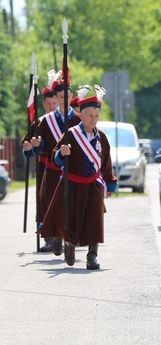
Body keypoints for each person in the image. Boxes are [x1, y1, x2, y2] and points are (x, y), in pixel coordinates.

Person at [38, 86, 117, 269]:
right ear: (81, 115)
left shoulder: (101, 137)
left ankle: (92, 255)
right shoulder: (71, 134)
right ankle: (69, 244)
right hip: (72, 185)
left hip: (93, 185)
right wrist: (61, 154)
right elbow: (55, 156)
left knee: (94, 220)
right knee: (71, 219)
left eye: (97, 116)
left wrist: (110, 183)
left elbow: (106, 162)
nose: (93, 120)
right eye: (90, 116)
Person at [23, 73, 81, 256]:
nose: (62, 101)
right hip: (51, 170)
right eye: (60, 98)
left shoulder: (78, 120)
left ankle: (69, 239)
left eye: (66, 97)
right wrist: (32, 147)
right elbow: (31, 149)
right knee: (48, 204)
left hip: (72, 172)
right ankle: (52, 237)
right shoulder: (43, 122)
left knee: (72, 205)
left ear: (71, 98)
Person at [21, 80, 60, 252]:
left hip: (64, 169)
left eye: (54, 103)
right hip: (45, 169)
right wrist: (29, 147)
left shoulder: (66, 121)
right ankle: (49, 238)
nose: (51, 106)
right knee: (43, 202)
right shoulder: (39, 123)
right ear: (43, 104)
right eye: (48, 104)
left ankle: (65, 235)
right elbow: (27, 145)